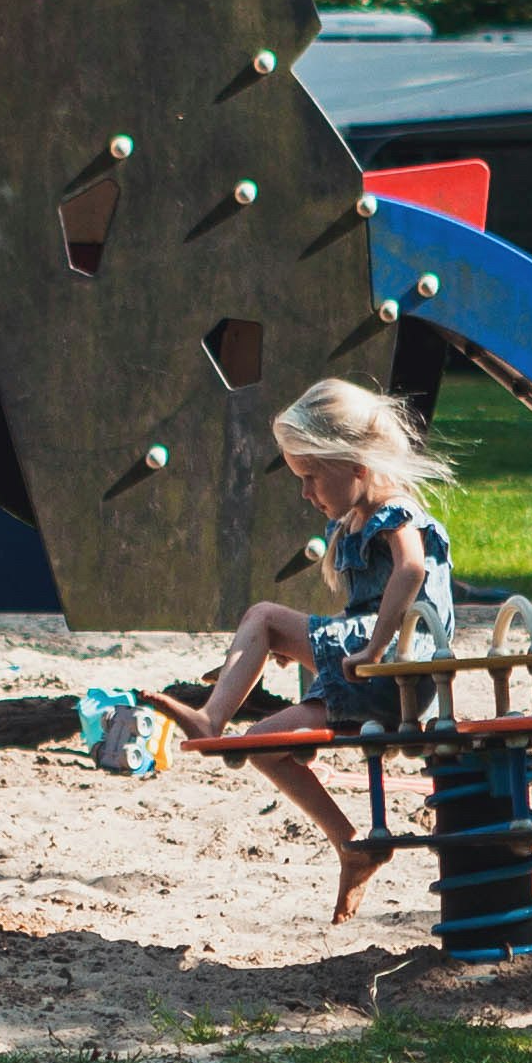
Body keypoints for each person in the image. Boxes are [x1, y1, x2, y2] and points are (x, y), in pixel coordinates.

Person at [160, 378, 459, 921]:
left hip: (397, 672)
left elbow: (413, 570)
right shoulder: (358, 519)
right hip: (374, 679)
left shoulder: (396, 513)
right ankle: (352, 845)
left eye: (311, 475)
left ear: (356, 464)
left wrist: (375, 643)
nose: (305, 492)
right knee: (261, 743)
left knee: (264, 617)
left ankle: (209, 718)